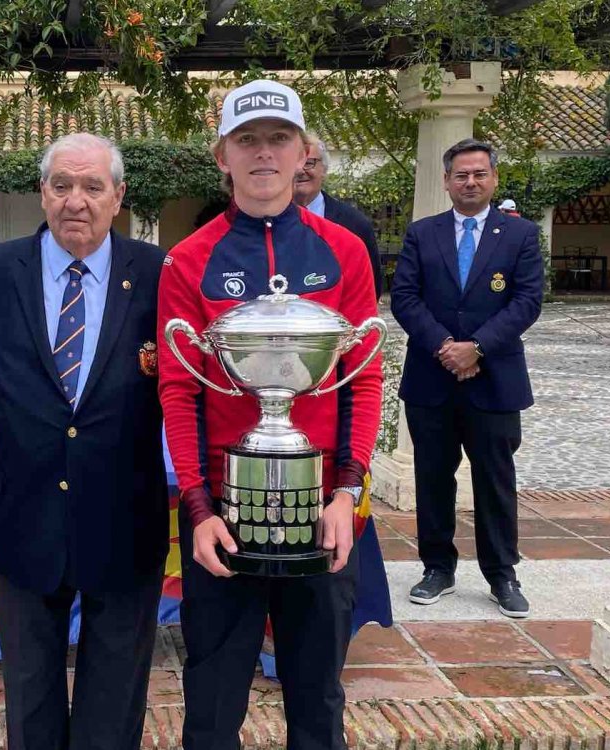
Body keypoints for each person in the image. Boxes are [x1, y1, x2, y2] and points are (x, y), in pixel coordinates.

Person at [157, 80, 383, 750]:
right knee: (212, 699)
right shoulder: (188, 259)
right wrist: (198, 510)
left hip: (323, 511)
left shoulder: (344, 251)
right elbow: (179, 391)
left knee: (318, 699)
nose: (264, 153)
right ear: (221, 154)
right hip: (224, 516)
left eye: (278, 138)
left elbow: (363, 380)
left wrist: (347, 493)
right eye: (246, 140)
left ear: (303, 152)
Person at [0, 133, 169, 750]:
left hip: (125, 517)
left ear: (119, 195)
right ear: (42, 192)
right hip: (23, 514)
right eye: (62, 185)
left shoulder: (160, 276)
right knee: (30, 699)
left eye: (92, 186)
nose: (75, 200)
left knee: (115, 703)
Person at [391, 138, 543, 619]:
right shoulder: (422, 233)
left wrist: (476, 348)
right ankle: (437, 567)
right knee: (432, 476)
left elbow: (526, 302)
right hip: (431, 378)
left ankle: (502, 574)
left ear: (494, 178)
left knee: (495, 479)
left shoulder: (519, 236)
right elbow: (405, 298)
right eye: (461, 175)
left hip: (494, 377)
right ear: (447, 181)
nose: (470, 182)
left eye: (479, 174)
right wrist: (446, 348)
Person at [293, 132, 384, 299]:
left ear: (324, 170)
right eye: (294, 163)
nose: (300, 171)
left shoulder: (355, 224)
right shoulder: (262, 220)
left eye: (309, 163)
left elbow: (370, 291)